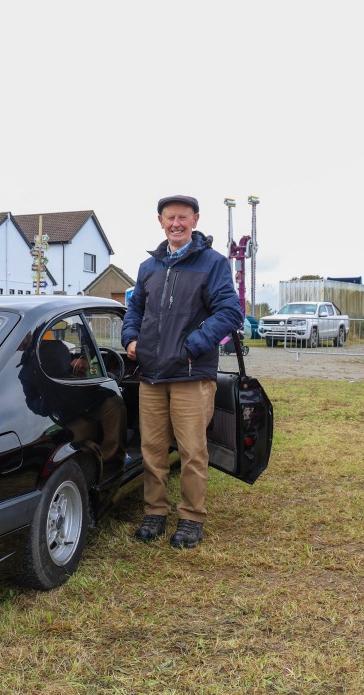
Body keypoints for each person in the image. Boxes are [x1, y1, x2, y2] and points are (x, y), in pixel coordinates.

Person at [121, 195, 242, 548]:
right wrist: (131, 338)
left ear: (195, 220)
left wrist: (191, 345)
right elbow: (134, 310)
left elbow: (230, 312)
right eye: (170, 217)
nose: (176, 223)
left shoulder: (213, 263)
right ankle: (155, 511)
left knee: (191, 451)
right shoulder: (148, 267)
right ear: (160, 221)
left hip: (191, 373)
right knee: (153, 449)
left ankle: (191, 518)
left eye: (183, 217)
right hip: (151, 375)